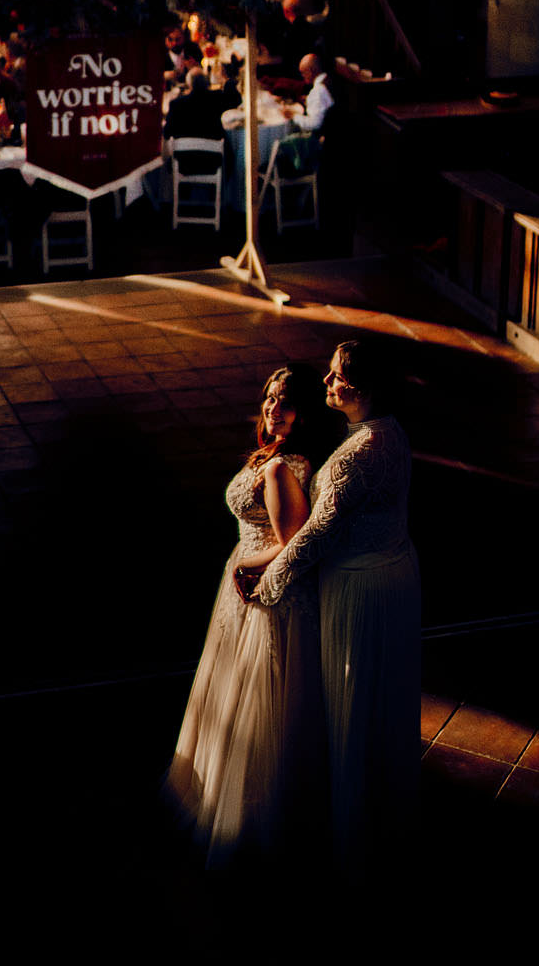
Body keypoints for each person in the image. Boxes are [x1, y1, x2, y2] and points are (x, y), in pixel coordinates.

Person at [248, 338, 420, 880]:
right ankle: (384, 817)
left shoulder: (360, 453)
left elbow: (317, 534)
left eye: (335, 376)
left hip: (361, 587)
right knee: (381, 701)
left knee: (354, 701)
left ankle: (356, 842)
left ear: (363, 387)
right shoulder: (384, 434)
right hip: (392, 573)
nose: (325, 383)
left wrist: (268, 580)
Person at [167, 365, 332, 866]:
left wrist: (247, 564)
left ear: (304, 411)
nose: (273, 407)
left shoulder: (284, 468)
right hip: (244, 584)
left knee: (264, 700)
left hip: (264, 591)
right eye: (269, 397)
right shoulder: (275, 456)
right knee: (237, 693)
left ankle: (254, 812)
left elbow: (291, 542)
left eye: (285, 401)